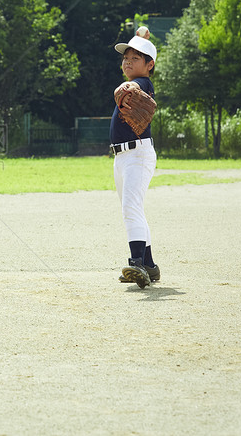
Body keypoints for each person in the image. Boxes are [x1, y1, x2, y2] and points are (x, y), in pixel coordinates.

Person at [110, 26, 159, 288]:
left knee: (130, 208)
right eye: (125, 58)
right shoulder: (137, 81)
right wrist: (140, 41)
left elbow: (136, 84)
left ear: (149, 65)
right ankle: (149, 265)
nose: (128, 61)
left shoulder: (142, 84)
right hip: (122, 157)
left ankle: (136, 264)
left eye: (135, 58)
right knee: (133, 209)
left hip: (137, 154)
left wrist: (128, 84)